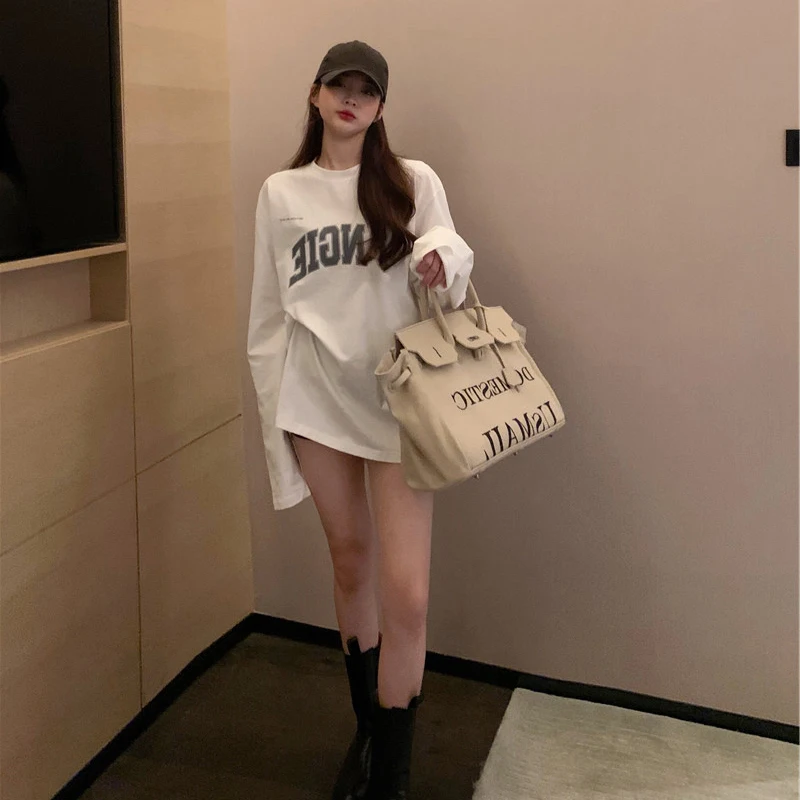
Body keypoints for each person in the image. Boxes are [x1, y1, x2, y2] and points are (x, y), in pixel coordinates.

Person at [247, 40, 473, 800]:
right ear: (315, 95)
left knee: (407, 594)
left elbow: (450, 254)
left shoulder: (412, 181)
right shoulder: (281, 193)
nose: (351, 99)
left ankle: (391, 777)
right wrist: (275, 431)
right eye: (338, 86)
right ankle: (371, 737)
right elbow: (268, 319)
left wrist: (441, 260)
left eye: (365, 90)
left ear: (380, 107)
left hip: (400, 405)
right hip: (315, 404)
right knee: (350, 565)